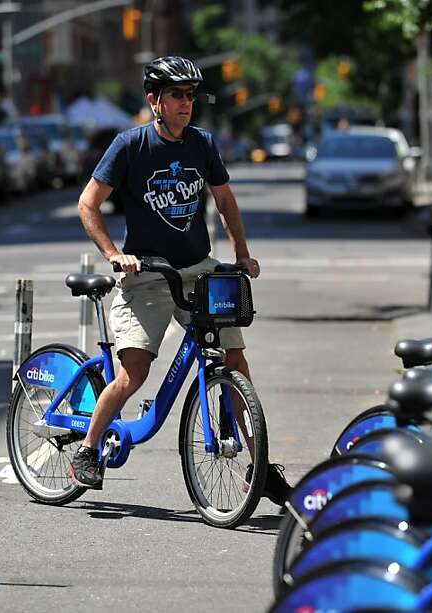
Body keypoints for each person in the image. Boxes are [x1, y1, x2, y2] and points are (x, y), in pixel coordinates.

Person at [69, 55, 290, 506]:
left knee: (235, 358)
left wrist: (242, 257)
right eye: (176, 95)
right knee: (134, 373)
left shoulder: (202, 145)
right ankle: (87, 450)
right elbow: (87, 204)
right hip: (147, 275)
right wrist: (116, 255)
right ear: (155, 101)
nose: (186, 104)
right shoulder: (130, 146)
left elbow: (225, 202)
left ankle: (259, 466)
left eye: (190, 96)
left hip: (198, 269)